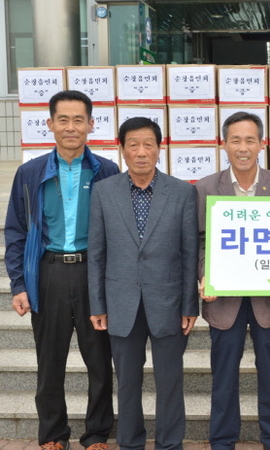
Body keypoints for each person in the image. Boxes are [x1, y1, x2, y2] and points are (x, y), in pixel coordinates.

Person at [4, 90, 118, 450]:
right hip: (49, 273)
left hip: (93, 274)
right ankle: (53, 434)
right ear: (50, 124)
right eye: (63, 120)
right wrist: (18, 284)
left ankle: (96, 434)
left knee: (99, 361)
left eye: (78, 120)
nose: (71, 127)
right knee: (49, 361)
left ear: (91, 124)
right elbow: (16, 231)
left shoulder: (106, 171)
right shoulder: (30, 172)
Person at [88, 117, 199, 450]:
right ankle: (130, 443)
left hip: (168, 303)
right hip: (121, 303)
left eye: (148, 144)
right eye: (133, 144)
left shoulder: (182, 192)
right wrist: (98, 304)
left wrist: (189, 305)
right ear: (121, 149)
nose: (141, 152)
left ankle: (170, 444)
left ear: (159, 149)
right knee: (127, 383)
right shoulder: (104, 192)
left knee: (170, 382)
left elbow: (189, 253)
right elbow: (97, 253)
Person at [195, 112, 270, 450]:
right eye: (235, 140)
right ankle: (223, 440)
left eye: (250, 140)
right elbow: (200, 241)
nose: (243, 147)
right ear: (223, 144)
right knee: (223, 375)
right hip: (225, 301)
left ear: (261, 144)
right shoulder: (206, 187)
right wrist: (204, 275)